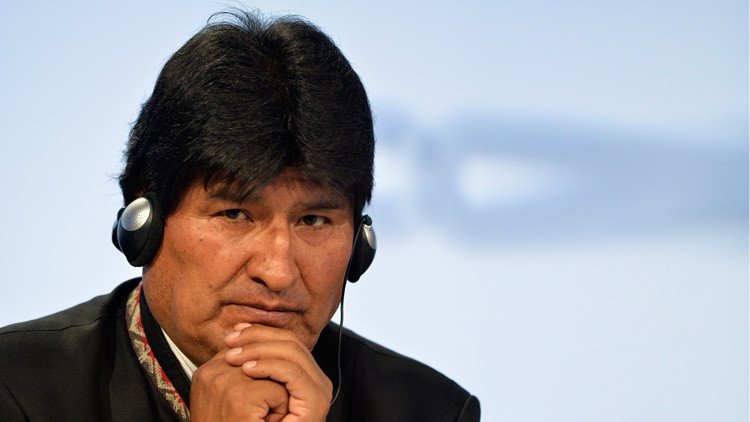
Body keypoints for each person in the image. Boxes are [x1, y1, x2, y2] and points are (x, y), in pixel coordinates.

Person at [0, 10, 480, 421]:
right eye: (235, 214)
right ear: (144, 222)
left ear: (359, 244)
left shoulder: (428, 410)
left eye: (314, 220)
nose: (277, 272)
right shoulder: (15, 388)